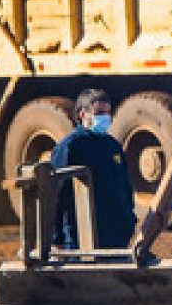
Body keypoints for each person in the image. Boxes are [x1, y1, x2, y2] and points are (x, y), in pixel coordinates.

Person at [51, 88, 135, 249]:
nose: (105, 118)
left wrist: (129, 221)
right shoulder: (70, 147)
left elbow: (124, 186)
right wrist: (57, 238)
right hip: (81, 236)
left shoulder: (113, 146)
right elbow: (57, 194)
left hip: (116, 236)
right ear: (84, 114)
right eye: (99, 113)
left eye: (107, 113)